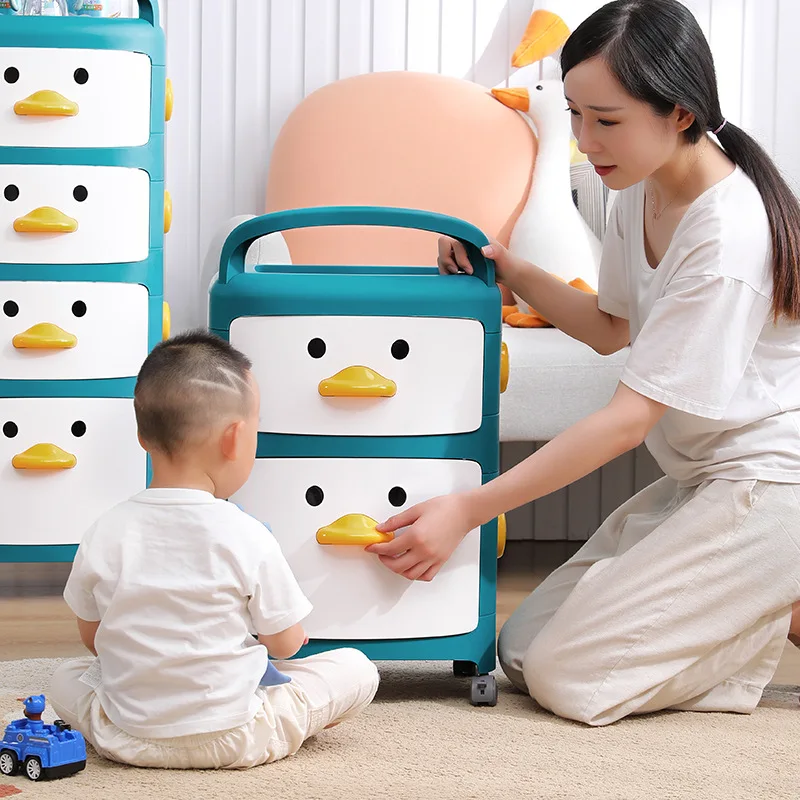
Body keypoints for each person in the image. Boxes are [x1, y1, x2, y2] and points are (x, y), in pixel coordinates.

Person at [366, 0, 800, 726]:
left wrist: (468, 510)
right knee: (521, 651)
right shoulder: (640, 186)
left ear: (681, 113)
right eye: (574, 114)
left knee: (569, 679)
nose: (584, 141)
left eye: (606, 120)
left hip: (770, 483)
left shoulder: (727, 238)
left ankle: (768, 598)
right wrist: (506, 267)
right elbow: (608, 327)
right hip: (703, 481)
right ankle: (752, 597)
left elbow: (628, 422)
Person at [49, 330, 379, 768]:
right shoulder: (247, 533)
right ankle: (293, 720)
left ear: (142, 435)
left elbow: (94, 641)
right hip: (239, 735)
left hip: (126, 734)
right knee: (356, 668)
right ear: (234, 438)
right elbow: (285, 646)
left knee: (64, 678)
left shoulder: (104, 530)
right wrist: (279, 635)